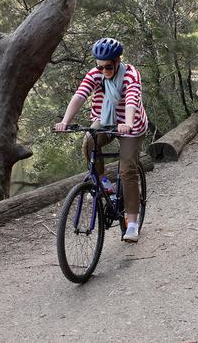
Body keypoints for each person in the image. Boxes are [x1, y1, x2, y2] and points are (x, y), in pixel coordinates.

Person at [54, 37, 148, 242]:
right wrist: (65, 121)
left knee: (127, 170)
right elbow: (80, 95)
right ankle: (104, 182)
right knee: (89, 142)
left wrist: (128, 122)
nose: (103, 70)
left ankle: (131, 222)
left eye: (108, 66)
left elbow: (132, 99)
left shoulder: (130, 75)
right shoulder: (96, 74)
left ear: (118, 61)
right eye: (100, 66)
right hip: (104, 120)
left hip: (131, 126)